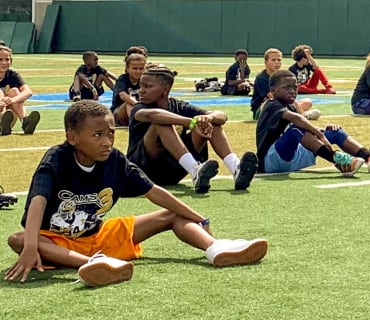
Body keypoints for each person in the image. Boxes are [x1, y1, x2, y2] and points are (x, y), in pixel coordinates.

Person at [4, 101, 267, 287]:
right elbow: (37, 200)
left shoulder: (115, 160)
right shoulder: (58, 158)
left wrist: (200, 218)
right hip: (56, 241)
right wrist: (29, 247)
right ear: (72, 137)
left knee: (170, 215)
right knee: (18, 239)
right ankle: (95, 265)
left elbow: (155, 193)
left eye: (110, 134)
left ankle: (216, 249)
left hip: (98, 235)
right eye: (97, 135)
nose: (107, 141)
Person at [127, 64, 258, 193]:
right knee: (161, 123)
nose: (141, 90)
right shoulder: (139, 108)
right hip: (144, 172)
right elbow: (153, 115)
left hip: (174, 171)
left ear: (165, 90)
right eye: (141, 86)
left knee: (211, 123)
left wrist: (208, 119)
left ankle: (236, 168)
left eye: (148, 86)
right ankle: (195, 170)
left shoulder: (178, 105)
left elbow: (222, 116)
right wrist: (191, 122)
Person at [256, 70, 370, 176]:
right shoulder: (271, 104)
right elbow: (297, 121)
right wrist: (320, 135)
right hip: (271, 160)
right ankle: (339, 161)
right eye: (287, 88)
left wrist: (322, 131)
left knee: (334, 131)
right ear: (273, 91)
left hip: (293, 157)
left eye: (295, 87)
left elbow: (304, 125)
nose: (292, 91)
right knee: (297, 129)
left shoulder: (292, 105)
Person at [251, 48, 317, 121]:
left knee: (307, 102)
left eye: (279, 60)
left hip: (282, 105)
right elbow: (273, 96)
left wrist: (296, 106)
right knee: (271, 103)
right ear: (266, 62)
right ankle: (299, 115)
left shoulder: (281, 76)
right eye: (273, 60)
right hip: (264, 109)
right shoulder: (262, 78)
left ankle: (298, 115)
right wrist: (296, 107)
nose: (277, 62)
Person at [0, 46, 39, 136]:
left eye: (7, 59)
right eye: (0, 59)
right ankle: (1, 121)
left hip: (9, 117)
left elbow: (28, 92)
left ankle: (25, 122)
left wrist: (12, 100)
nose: (4, 62)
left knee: (14, 92)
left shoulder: (12, 74)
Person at [112, 52, 146, 127]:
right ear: (127, 68)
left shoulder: (144, 79)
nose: (138, 71)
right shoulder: (122, 79)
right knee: (129, 102)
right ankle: (135, 125)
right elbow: (123, 95)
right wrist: (138, 105)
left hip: (139, 110)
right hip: (119, 112)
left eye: (141, 68)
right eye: (134, 68)